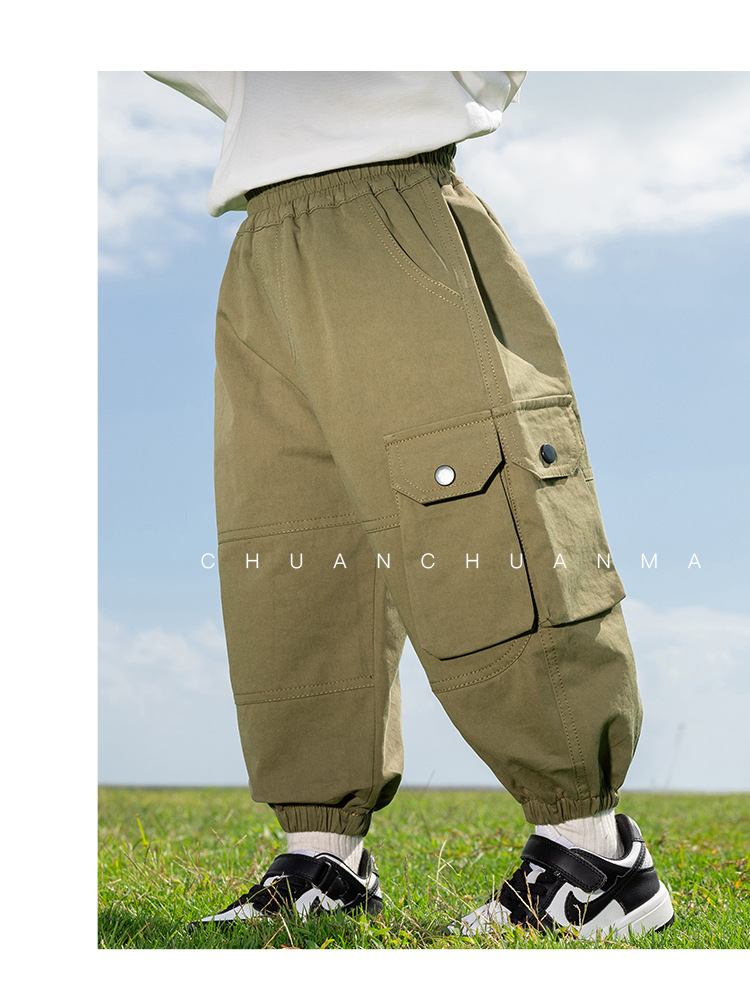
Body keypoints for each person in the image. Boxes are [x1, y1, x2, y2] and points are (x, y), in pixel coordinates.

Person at [144, 70, 674, 939]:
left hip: (389, 200)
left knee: (478, 516)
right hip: (261, 235)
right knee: (290, 550)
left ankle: (594, 855)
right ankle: (324, 860)